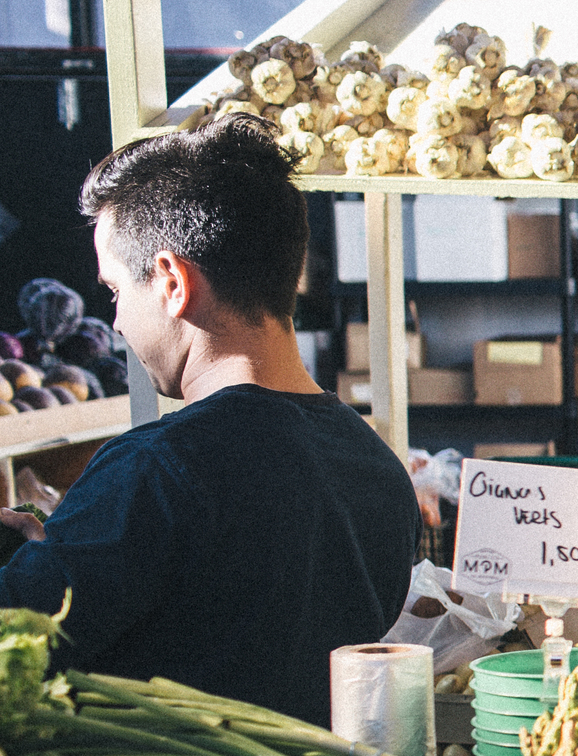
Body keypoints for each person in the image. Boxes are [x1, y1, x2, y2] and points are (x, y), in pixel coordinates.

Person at [0, 116, 420, 722]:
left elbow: (22, 645)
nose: (116, 324)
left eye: (116, 292)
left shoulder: (157, 469)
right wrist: (66, 553)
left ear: (172, 282)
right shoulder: (377, 468)